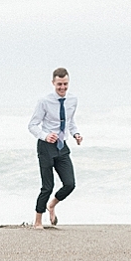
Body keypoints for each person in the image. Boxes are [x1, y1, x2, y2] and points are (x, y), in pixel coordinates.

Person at [28, 67, 83, 228]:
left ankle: (51, 205)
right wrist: (45, 135)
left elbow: (70, 122)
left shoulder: (73, 100)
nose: (62, 88)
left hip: (62, 146)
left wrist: (76, 134)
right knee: (47, 186)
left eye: (65, 84)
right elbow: (32, 125)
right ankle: (38, 220)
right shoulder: (44, 101)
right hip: (46, 147)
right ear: (53, 83)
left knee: (70, 184)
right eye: (59, 84)